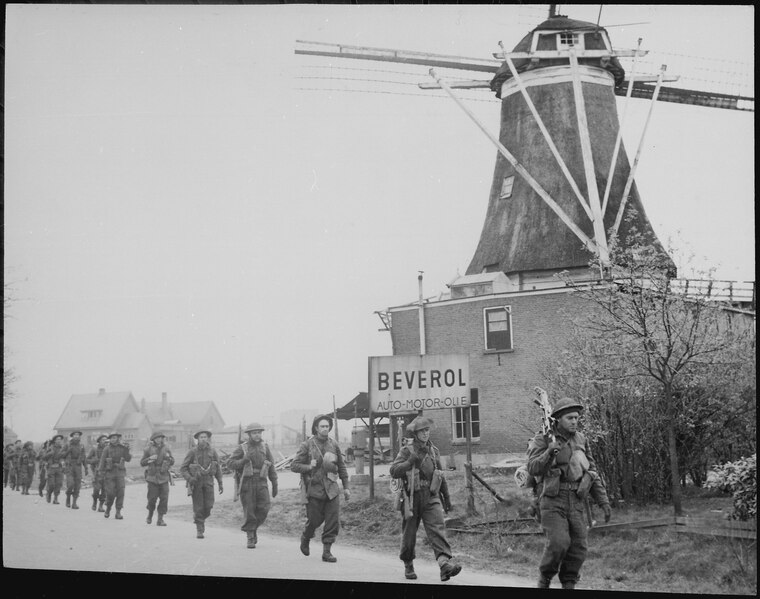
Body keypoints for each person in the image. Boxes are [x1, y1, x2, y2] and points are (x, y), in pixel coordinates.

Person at [526, 397, 612, 590]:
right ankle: (545, 579)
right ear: (558, 419)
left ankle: (569, 582)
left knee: (579, 547)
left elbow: (592, 471)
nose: (574, 421)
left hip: (576, 500)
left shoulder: (581, 439)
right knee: (559, 542)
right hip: (552, 500)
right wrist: (549, 452)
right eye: (570, 418)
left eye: (576, 418)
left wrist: (603, 501)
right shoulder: (544, 438)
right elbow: (532, 468)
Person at [389, 416, 461, 582]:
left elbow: (440, 475)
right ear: (415, 433)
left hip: (431, 496)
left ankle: (444, 565)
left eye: (427, 430)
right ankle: (408, 564)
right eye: (422, 431)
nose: (425, 433)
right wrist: (409, 462)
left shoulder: (433, 450)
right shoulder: (407, 450)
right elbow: (394, 471)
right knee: (409, 534)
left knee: (437, 528)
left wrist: (447, 499)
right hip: (412, 498)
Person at [290, 414, 350, 563]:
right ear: (316, 428)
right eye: (322, 426)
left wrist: (346, 487)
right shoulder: (307, 445)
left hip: (332, 488)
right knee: (314, 520)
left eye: (327, 426)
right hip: (314, 489)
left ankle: (327, 552)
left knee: (332, 520)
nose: (325, 428)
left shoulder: (334, 444)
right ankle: (306, 536)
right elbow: (294, 466)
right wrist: (308, 466)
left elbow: (341, 466)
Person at [228, 422, 278, 548]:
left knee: (264, 508)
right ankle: (250, 536)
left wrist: (275, 482)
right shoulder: (242, 448)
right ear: (249, 434)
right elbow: (230, 463)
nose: (257, 435)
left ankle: (253, 528)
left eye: (259, 432)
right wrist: (244, 460)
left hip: (261, 481)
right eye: (254, 433)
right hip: (247, 482)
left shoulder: (265, 447)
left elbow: (271, 465)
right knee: (249, 509)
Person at [180, 430, 224, 539]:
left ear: (208, 438)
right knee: (198, 507)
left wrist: (220, 483)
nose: (203, 439)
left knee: (209, 506)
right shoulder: (192, 452)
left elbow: (217, 468)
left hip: (209, 481)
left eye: (205, 437)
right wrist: (190, 478)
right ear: (197, 439)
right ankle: (199, 528)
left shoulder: (213, 452)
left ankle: (201, 520)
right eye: (201, 437)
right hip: (197, 482)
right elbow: (183, 468)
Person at [140, 431, 175, 526]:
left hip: (164, 477)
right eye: (157, 438)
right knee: (152, 499)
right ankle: (150, 514)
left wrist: (169, 459)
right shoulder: (148, 449)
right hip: (152, 477)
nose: (159, 439)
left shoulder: (167, 448)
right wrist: (150, 459)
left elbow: (172, 461)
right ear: (153, 439)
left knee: (164, 499)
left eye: (161, 437)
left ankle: (160, 519)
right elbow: (142, 463)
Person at [98, 431, 132, 519]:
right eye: (112, 438)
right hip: (110, 473)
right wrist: (100, 472)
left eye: (115, 438)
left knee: (121, 492)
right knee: (110, 493)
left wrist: (127, 450)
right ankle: (108, 508)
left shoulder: (123, 448)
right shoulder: (107, 449)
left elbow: (128, 459)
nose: (113, 439)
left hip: (120, 472)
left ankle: (118, 512)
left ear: (118, 438)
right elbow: (102, 461)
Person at [61, 430, 87, 509]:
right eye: (75, 435)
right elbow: (61, 455)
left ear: (79, 437)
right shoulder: (67, 445)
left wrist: (86, 468)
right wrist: (63, 462)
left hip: (78, 466)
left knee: (77, 485)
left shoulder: (81, 446)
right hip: (69, 466)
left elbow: (84, 457)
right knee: (70, 484)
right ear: (72, 436)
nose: (76, 436)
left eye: (78, 435)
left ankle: (74, 503)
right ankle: (68, 497)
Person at [87, 435, 108, 511]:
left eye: (106, 440)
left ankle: (100, 506)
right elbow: (87, 460)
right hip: (97, 473)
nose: (105, 441)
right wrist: (94, 461)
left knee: (104, 490)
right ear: (99, 441)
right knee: (96, 490)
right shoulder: (94, 449)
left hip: (107, 473)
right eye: (103, 440)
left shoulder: (109, 449)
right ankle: (94, 502)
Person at [43, 434, 66, 504]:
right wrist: (50, 453)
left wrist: (63, 462)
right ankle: (49, 494)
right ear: (55, 441)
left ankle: (56, 498)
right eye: (57, 439)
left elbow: (64, 457)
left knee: (59, 484)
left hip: (59, 468)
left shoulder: (62, 448)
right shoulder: (50, 448)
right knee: (51, 484)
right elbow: (44, 457)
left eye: (60, 439)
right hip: (51, 468)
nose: (59, 441)